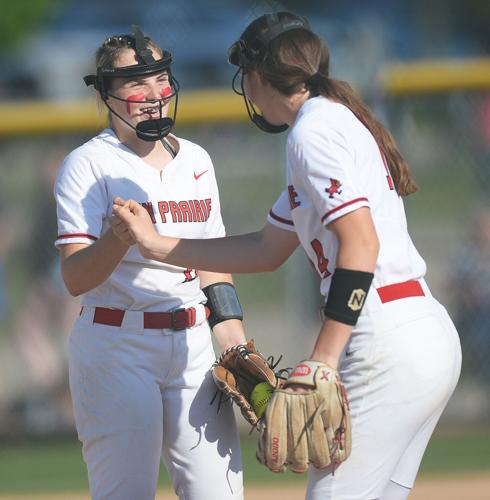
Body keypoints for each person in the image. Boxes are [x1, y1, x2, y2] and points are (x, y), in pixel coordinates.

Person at [111, 12, 463, 500]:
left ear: (257, 75)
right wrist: (156, 245)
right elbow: (266, 248)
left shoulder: (312, 133)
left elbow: (361, 244)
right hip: (425, 333)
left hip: (384, 340)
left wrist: (323, 359)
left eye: (245, 78)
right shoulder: (334, 120)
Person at [54, 26, 245, 500]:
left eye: (159, 78)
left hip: (194, 344)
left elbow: (214, 261)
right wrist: (116, 241)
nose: (153, 94)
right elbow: (75, 277)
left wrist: (234, 337)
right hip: (117, 344)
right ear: (106, 93)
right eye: (136, 82)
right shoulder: (87, 164)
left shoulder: (197, 159)